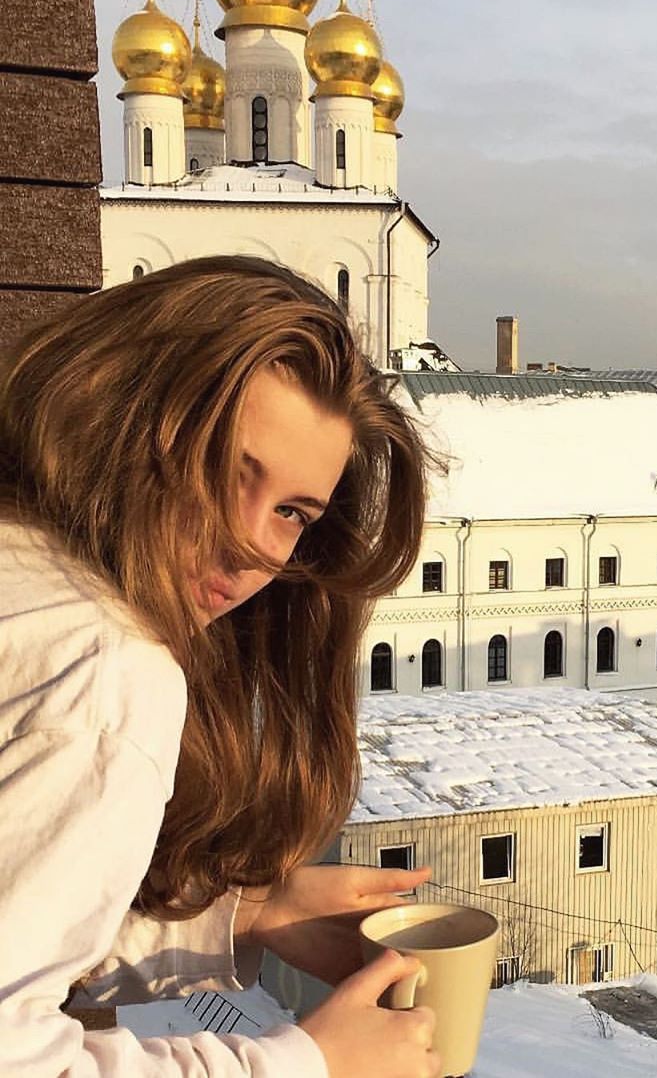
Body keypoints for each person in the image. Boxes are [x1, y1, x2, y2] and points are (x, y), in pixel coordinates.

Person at [0, 256, 441, 1077]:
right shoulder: (106, 673)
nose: (249, 546)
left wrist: (241, 919)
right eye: (224, 472)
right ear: (118, 414)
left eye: (292, 513)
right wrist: (307, 1064)